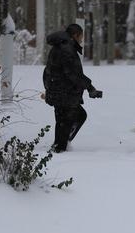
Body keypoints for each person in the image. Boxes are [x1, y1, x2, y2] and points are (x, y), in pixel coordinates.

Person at [43, 24, 103, 153]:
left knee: (64, 120)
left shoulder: (59, 47)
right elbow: (73, 74)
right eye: (81, 36)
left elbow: (50, 71)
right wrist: (90, 87)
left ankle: (60, 145)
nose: (82, 40)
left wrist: (49, 88)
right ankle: (60, 148)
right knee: (72, 118)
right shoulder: (66, 49)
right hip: (64, 93)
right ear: (75, 35)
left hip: (57, 91)